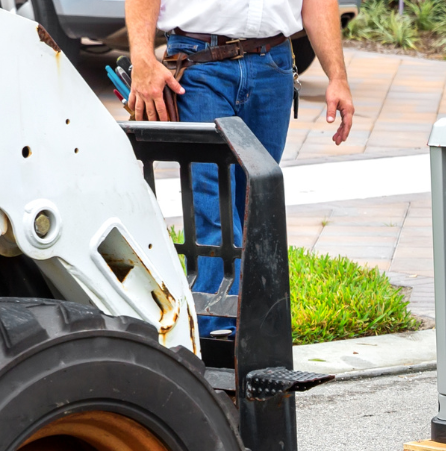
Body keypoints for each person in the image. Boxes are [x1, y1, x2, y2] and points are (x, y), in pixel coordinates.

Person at [125, 0, 355, 336]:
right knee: (213, 210)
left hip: (273, 65)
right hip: (198, 64)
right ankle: (217, 336)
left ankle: (251, 336)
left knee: (254, 209)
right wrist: (142, 59)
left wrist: (338, 77)